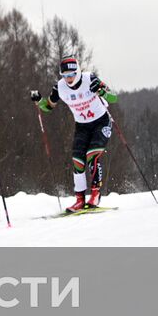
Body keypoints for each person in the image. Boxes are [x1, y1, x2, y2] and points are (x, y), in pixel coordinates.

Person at [31, 57, 118, 212]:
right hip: (82, 127)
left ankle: (95, 195)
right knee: (78, 161)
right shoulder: (60, 87)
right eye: (64, 76)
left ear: (77, 71)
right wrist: (39, 101)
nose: (68, 79)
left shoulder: (90, 79)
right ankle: (79, 199)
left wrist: (101, 91)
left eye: (71, 74)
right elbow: (49, 107)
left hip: (101, 122)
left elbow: (114, 97)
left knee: (92, 155)